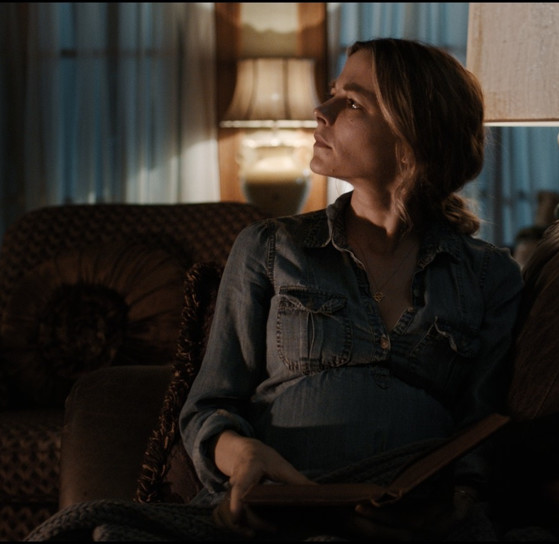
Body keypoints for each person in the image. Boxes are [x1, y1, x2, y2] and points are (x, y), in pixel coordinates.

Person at [178, 38, 524, 540]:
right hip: (278, 508)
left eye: (353, 103)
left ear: (412, 137)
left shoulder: (489, 275)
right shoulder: (270, 248)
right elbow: (209, 406)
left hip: (408, 518)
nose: (321, 110)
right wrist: (243, 455)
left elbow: (482, 427)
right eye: (332, 92)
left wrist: (457, 504)